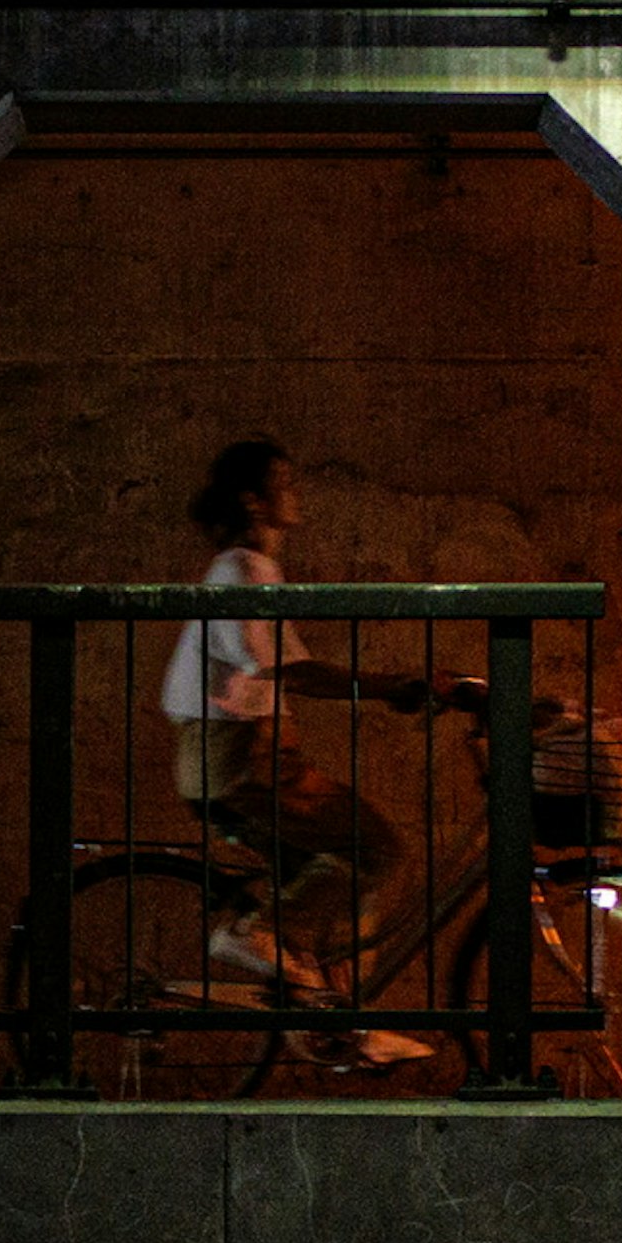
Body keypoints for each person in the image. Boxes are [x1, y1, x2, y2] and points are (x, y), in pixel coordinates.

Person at [157, 438, 472, 1067]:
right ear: (253, 498)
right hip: (241, 760)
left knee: (336, 879)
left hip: (242, 757)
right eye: (285, 482)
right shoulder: (242, 569)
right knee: (375, 848)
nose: (296, 494)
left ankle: (340, 1022)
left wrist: (392, 688)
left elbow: (282, 670)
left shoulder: (247, 569)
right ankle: (255, 936)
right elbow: (287, 672)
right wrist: (389, 686)